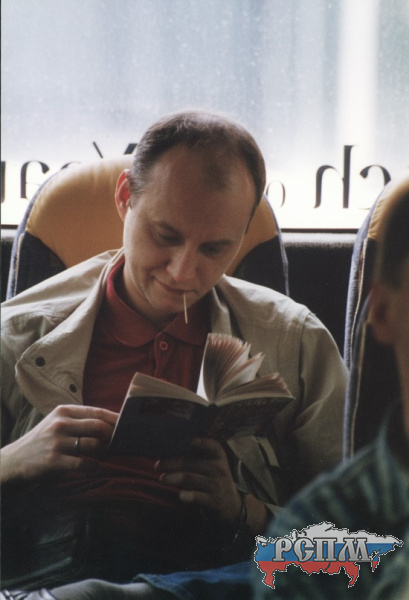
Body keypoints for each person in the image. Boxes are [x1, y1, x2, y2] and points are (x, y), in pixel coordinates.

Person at [1, 110, 347, 598]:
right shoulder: (15, 335)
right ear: (125, 198)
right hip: (46, 571)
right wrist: (13, 460)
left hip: (212, 575)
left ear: (243, 234)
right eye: (166, 237)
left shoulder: (297, 342)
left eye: (215, 249)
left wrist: (242, 511)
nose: (183, 272)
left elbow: (361, 546)